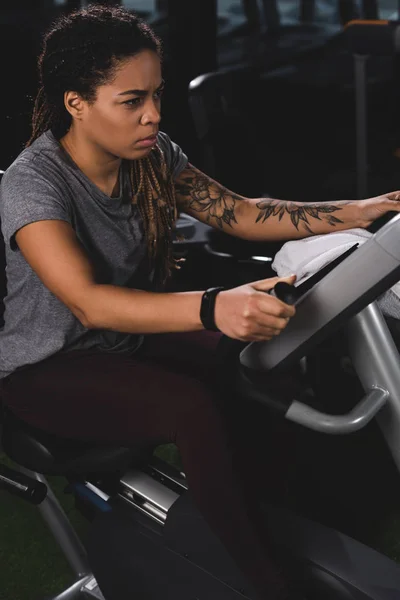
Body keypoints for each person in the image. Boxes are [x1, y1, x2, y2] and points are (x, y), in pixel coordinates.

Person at [0, 4, 399, 599]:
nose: (154, 115)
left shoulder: (151, 154)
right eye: (132, 100)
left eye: (156, 94)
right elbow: (89, 304)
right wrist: (215, 306)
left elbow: (238, 213)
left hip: (124, 340)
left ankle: (296, 521)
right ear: (75, 103)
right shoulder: (33, 183)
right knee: (190, 407)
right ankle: (268, 584)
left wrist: (360, 210)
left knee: (252, 359)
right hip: (47, 367)